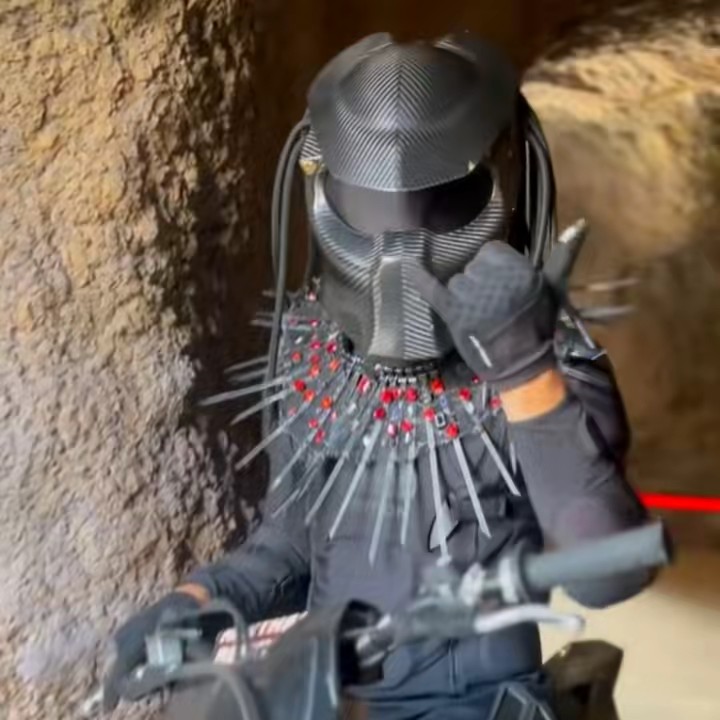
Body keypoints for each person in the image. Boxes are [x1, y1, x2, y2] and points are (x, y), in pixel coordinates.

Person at [102, 32, 653, 720]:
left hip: (481, 707)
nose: (401, 256)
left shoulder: (552, 358)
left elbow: (610, 573)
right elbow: (289, 542)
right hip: (329, 697)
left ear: (504, 177)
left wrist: (523, 369)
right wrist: (195, 603)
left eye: (443, 201)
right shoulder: (312, 352)